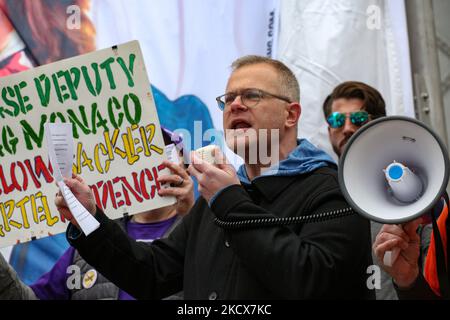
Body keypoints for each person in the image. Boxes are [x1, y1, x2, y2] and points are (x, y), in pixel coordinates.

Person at [56, 55, 374, 299]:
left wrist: (230, 201)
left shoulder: (335, 191)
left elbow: (312, 282)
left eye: (252, 95)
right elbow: (151, 273)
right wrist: (89, 219)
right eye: (227, 99)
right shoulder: (216, 199)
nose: (234, 105)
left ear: (290, 115)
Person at [0, 128, 194, 300]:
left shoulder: (202, 242)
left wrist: (192, 218)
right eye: (143, 150)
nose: (153, 164)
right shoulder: (91, 240)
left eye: (165, 153)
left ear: (185, 170)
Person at [322, 81, 433, 300]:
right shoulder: (319, 194)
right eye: (337, 120)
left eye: (358, 119)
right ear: (328, 130)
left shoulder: (412, 193)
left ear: (379, 125)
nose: (347, 128)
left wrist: (408, 281)